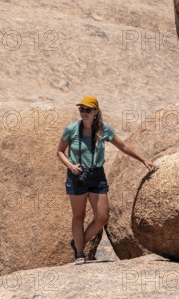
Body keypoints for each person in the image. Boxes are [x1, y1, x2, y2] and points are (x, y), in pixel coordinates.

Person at [56, 95, 159, 265]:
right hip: (77, 176)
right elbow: (59, 151)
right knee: (78, 216)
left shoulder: (103, 129)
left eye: (88, 109)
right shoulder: (71, 129)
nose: (84, 112)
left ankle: (77, 242)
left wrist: (143, 160)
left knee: (102, 217)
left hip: (96, 175)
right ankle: (80, 253)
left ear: (96, 111)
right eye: (81, 109)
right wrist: (70, 166)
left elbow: (123, 146)